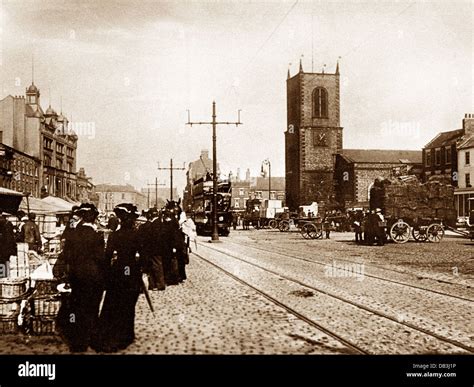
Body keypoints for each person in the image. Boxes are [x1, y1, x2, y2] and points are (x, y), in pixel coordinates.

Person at [92, 203, 142, 353]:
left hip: (118, 270)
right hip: (130, 270)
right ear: (132, 220)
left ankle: (111, 335)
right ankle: (126, 335)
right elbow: (143, 255)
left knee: (114, 303)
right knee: (128, 303)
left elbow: (107, 257)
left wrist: (107, 274)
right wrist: (139, 267)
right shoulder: (136, 235)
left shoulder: (115, 235)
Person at [56, 203, 105, 353]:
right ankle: (93, 339)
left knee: (77, 308)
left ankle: (77, 343)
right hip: (93, 276)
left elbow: (67, 256)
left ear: (83, 218)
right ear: (94, 219)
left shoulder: (73, 235)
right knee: (92, 308)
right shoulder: (97, 236)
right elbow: (100, 259)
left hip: (76, 276)